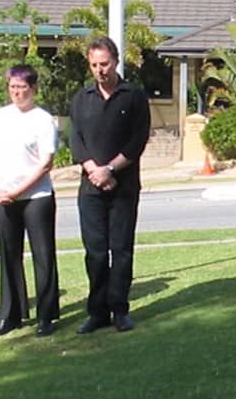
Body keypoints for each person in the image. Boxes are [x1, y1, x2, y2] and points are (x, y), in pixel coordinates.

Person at [70, 36, 150, 334]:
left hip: (124, 186)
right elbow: (75, 138)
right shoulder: (81, 98)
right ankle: (97, 312)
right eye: (94, 65)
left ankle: (119, 310)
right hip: (90, 188)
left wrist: (110, 169)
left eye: (104, 64)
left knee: (121, 249)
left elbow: (138, 139)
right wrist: (93, 169)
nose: (100, 70)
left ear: (116, 61)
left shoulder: (134, 96)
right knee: (95, 252)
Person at [0, 65, 60, 337]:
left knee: (43, 255)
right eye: (13, 87)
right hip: (2, 197)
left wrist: (17, 191)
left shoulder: (43, 119)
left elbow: (45, 163)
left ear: (33, 89)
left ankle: (46, 316)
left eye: (22, 88)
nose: (17, 93)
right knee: (9, 256)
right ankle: (11, 314)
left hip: (36, 197)